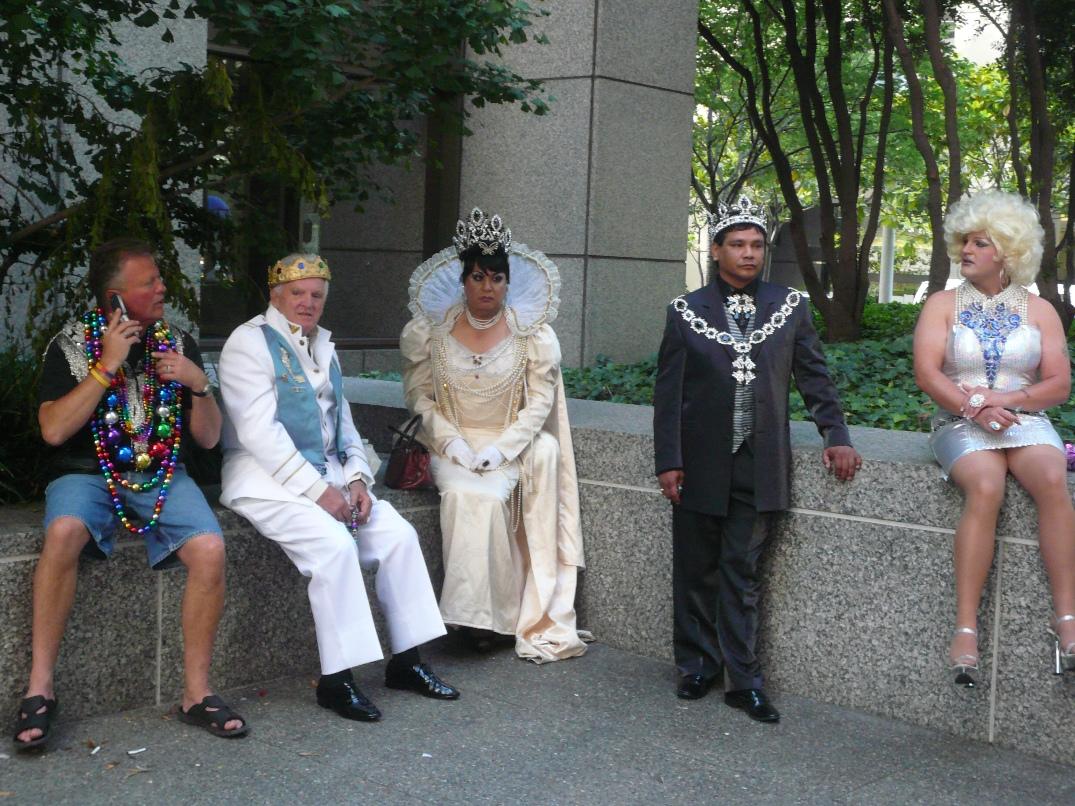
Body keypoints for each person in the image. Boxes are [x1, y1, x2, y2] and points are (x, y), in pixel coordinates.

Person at [13, 238, 245, 750]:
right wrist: (106, 365)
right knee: (64, 531)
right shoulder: (71, 344)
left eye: (159, 278)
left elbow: (208, 439)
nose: (163, 288)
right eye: (150, 282)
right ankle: (40, 688)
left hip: (161, 473)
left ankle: (196, 693)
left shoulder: (177, 342)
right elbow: (53, 430)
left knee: (210, 548)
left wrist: (199, 384)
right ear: (114, 298)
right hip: (86, 472)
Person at [218, 253, 458, 722]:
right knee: (333, 547)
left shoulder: (324, 345)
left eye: (316, 295)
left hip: (328, 475)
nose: (307, 303)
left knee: (398, 536)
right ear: (275, 295)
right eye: (297, 293)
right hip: (262, 479)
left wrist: (357, 479)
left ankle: (407, 661)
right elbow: (259, 434)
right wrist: (321, 493)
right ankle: (336, 681)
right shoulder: (247, 342)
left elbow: (343, 423)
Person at [653, 195, 861, 722]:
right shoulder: (686, 312)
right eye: (738, 244)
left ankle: (743, 682)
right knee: (695, 569)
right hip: (699, 461)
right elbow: (669, 394)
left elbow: (813, 375)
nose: (749, 253)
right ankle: (697, 666)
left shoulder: (789, 306)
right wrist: (668, 460)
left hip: (759, 461)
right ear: (716, 250)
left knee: (741, 572)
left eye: (757, 245)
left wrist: (835, 433)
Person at [400, 208, 589, 663]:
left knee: (489, 494)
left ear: (508, 283)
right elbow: (420, 398)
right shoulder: (430, 332)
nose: (488, 287)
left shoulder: (532, 336)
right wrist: (453, 443)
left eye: (497, 278)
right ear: (463, 280)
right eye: (478, 277)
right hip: (449, 443)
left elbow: (539, 404)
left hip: (508, 444)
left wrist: (502, 449)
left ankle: (498, 618)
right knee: (466, 495)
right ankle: (470, 618)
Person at [914, 190, 1075, 686]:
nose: (966, 250)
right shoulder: (942, 304)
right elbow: (926, 374)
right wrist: (976, 408)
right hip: (958, 420)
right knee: (986, 484)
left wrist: (1007, 401)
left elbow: (1059, 385)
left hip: (1023, 419)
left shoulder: (1040, 310)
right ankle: (965, 628)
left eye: (980, 243)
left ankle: (1067, 617)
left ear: (1008, 251)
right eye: (964, 240)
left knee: (1053, 479)